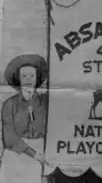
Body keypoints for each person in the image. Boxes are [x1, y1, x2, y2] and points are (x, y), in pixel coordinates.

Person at [0, 54, 50, 183]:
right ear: (18, 79)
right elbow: (9, 137)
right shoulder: (9, 104)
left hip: (41, 152)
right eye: (24, 76)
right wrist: (34, 154)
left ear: (37, 78)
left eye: (32, 76)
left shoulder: (46, 102)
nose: (28, 79)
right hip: (15, 155)